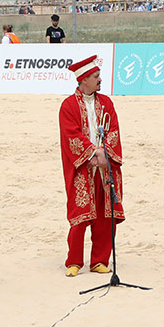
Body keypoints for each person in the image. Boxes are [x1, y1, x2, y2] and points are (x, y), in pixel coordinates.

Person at [58, 55, 124, 276]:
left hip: (104, 165)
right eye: (96, 76)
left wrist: (105, 153)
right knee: (80, 213)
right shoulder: (68, 106)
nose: (99, 80)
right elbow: (71, 135)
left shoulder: (106, 103)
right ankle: (74, 260)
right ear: (83, 79)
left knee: (106, 214)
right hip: (83, 166)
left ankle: (99, 260)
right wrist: (93, 152)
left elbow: (113, 130)